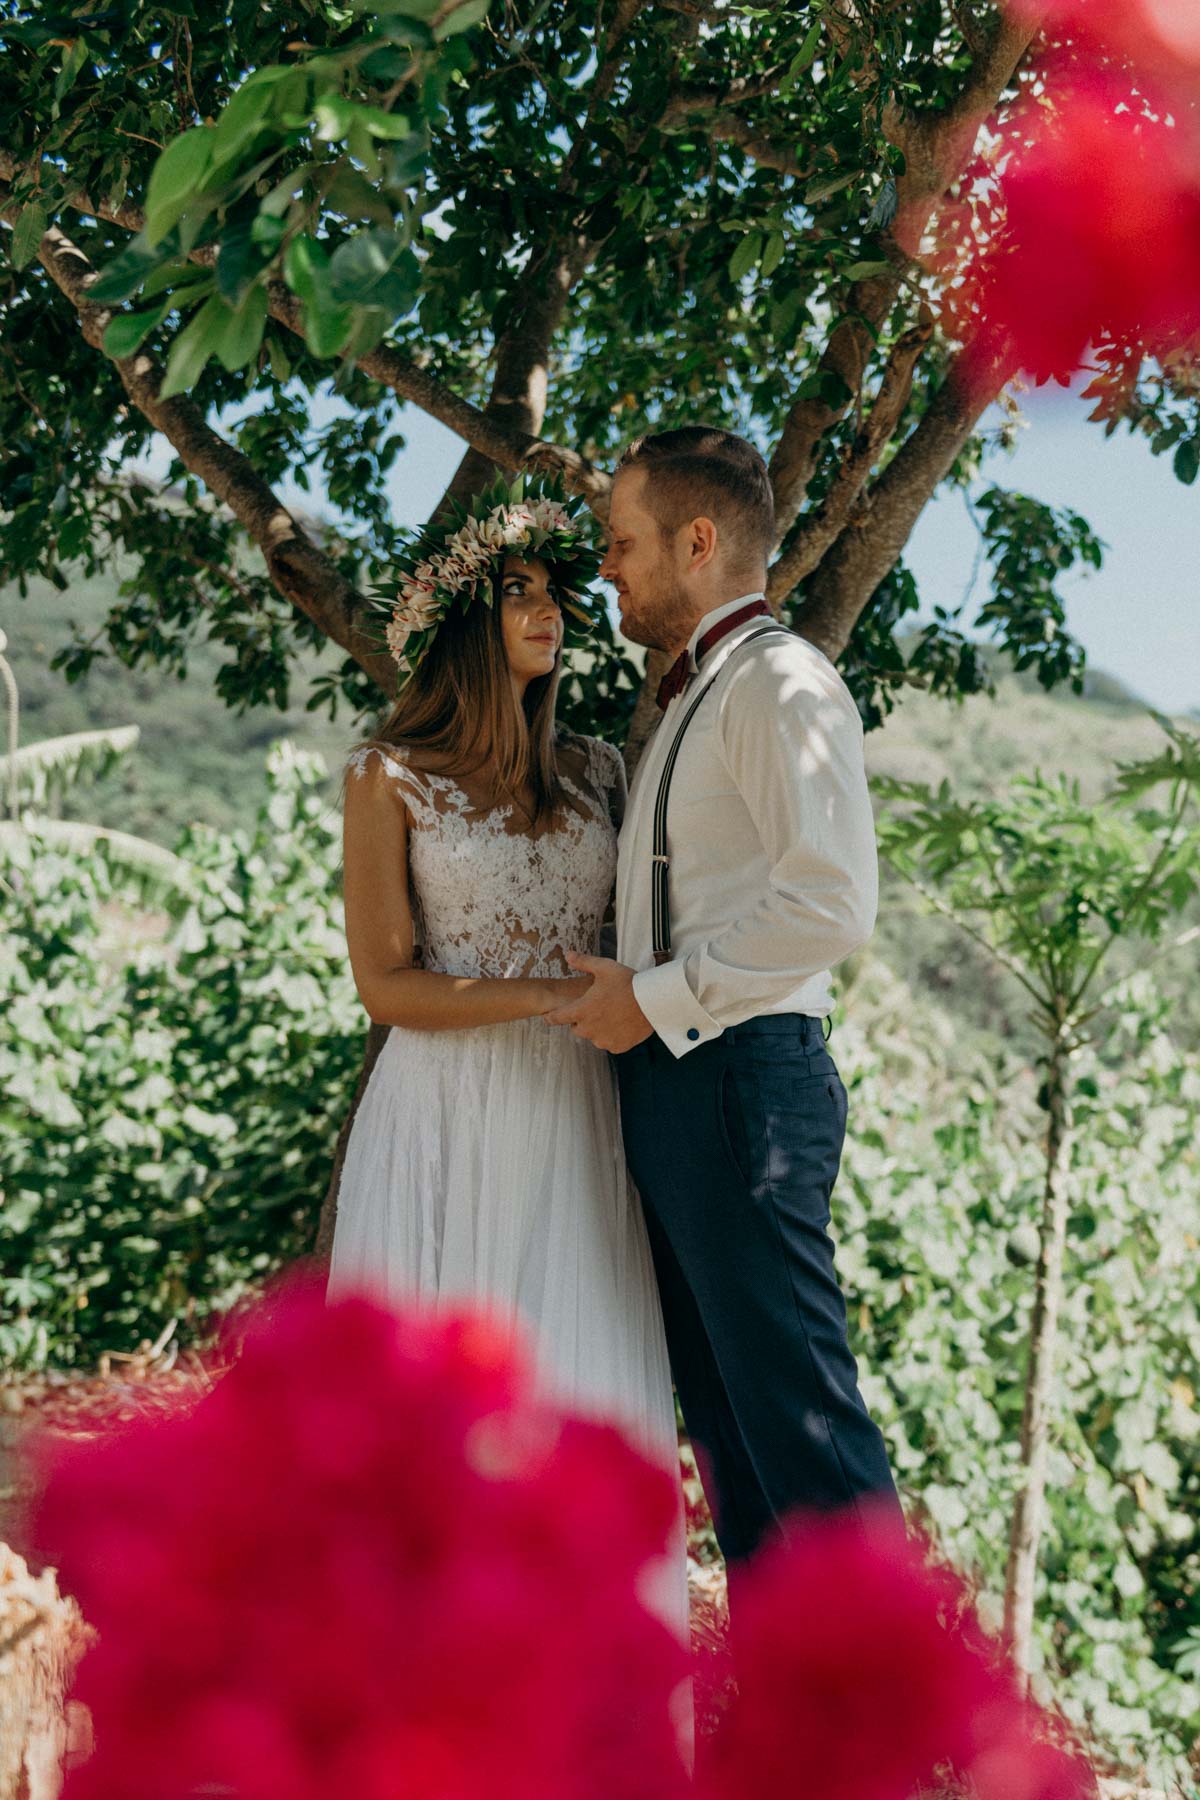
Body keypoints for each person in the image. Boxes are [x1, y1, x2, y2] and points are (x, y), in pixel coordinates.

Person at [325, 480, 690, 1697]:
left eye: (561, 595)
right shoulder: (386, 775)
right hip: (442, 1116)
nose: (553, 614)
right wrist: (544, 1001)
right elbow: (385, 984)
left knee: (575, 1390)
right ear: (467, 623)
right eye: (523, 592)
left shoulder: (595, 771)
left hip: (578, 1118)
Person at [545, 427, 905, 1617]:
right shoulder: (701, 691)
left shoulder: (779, 684)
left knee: (802, 1423)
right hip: (687, 1087)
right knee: (738, 1436)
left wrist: (649, 1000)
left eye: (624, 544)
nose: (607, 569)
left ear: (699, 543)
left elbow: (831, 904)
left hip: (741, 1082)